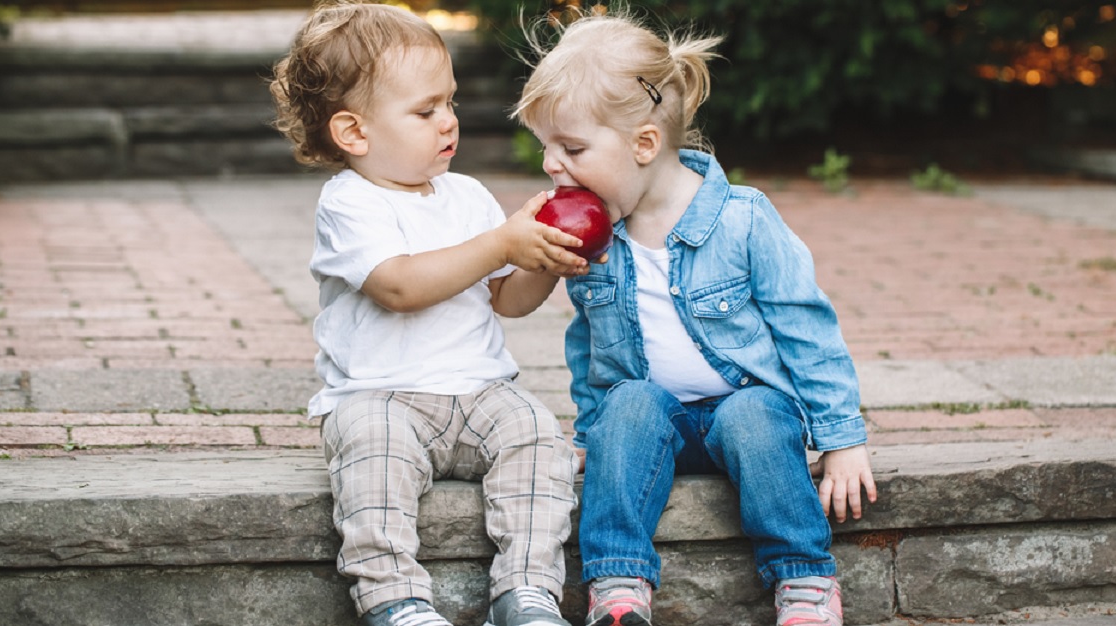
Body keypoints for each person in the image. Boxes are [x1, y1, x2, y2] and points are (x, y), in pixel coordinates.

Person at [513, 10, 879, 626]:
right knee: (626, 406)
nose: (552, 164)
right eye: (546, 147)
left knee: (757, 415)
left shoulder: (744, 219)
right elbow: (590, 343)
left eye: (572, 148)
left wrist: (843, 440)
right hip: (659, 422)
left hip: (745, 410)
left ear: (644, 144)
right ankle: (619, 584)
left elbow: (808, 331)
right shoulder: (597, 238)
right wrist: (588, 433)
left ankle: (805, 579)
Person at [269, 3, 588, 626]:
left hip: (480, 391)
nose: (449, 121)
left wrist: (542, 259)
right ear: (354, 133)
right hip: (381, 397)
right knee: (371, 454)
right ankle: (395, 598)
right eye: (425, 111)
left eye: (451, 102)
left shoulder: (466, 195)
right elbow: (398, 286)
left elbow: (508, 300)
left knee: (538, 435)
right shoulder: (350, 204)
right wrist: (500, 244)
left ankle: (526, 592)